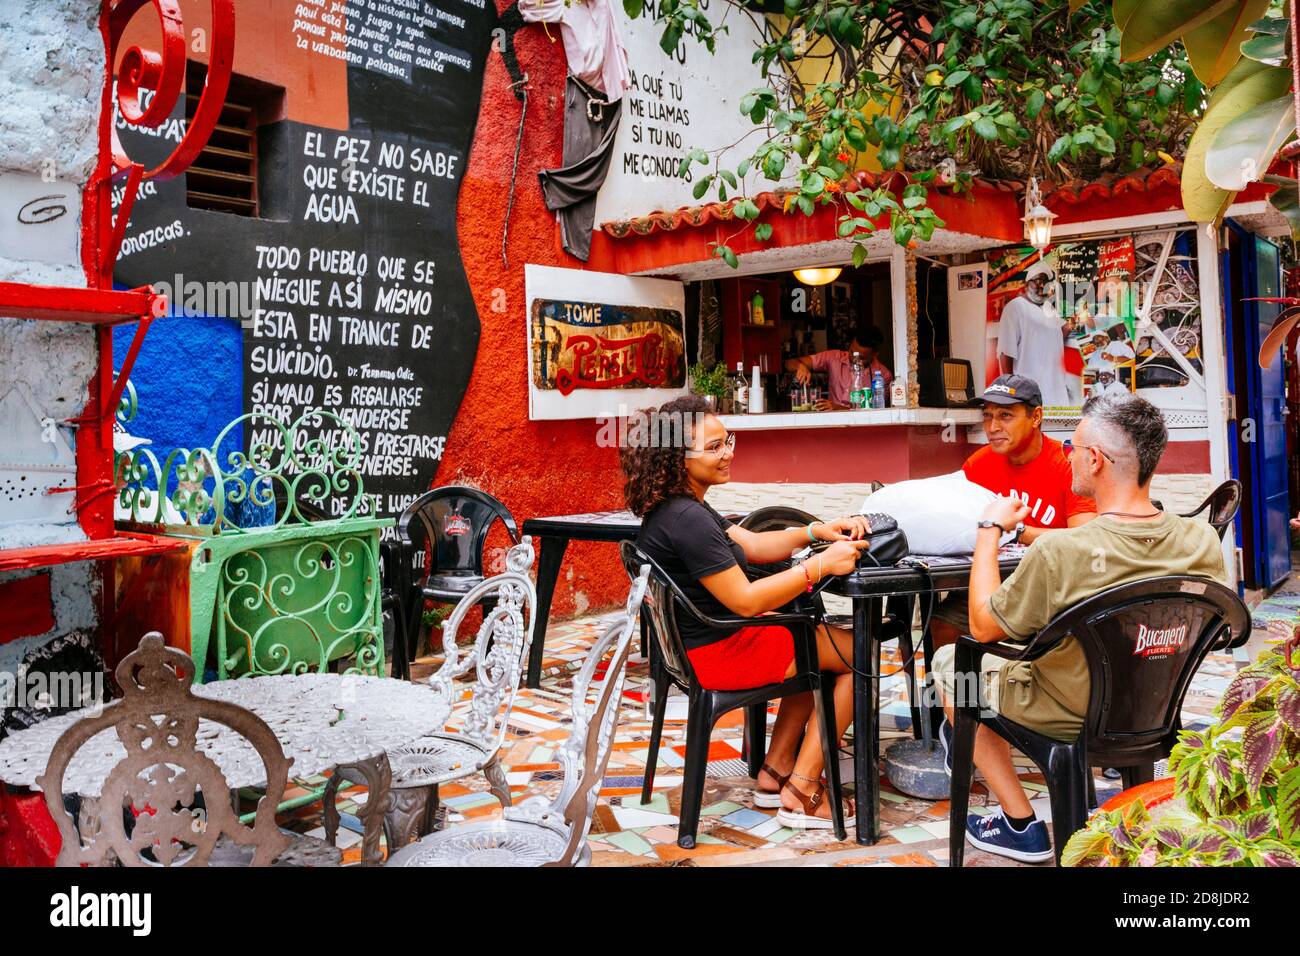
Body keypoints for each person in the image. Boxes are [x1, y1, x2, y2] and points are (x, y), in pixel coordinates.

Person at [930, 392, 1229, 862]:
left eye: (1073, 448)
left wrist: (989, 529)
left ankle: (1018, 821)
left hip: (1067, 711)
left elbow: (984, 626)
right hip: (1153, 704)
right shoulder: (1202, 540)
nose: (1067, 456)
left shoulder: (1061, 552)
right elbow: (1225, 628)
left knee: (951, 663)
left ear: (1094, 459)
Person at [622, 394, 873, 829]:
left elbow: (753, 545)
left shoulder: (681, 507)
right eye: (715, 447)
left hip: (700, 647)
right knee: (857, 655)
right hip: (720, 652)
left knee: (818, 641)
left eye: (728, 441)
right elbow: (746, 600)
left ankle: (775, 769)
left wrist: (814, 530)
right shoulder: (688, 520)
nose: (729, 452)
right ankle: (803, 787)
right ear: (679, 457)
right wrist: (820, 565)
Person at [928, 374, 1096, 648]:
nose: (992, 426)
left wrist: (1015, 531)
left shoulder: (1068, 463)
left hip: (1053, 589)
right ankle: (964, 690)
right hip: (995, 584)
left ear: (1036, 416)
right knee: (940, 624)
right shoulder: (978, 465)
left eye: (1005, 415)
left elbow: (1086, 538)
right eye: (987, 415)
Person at [997, 262, 1073, 407]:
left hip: (1055, 393)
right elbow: (1005, 352)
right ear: (1027, 284)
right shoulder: (1015, 307)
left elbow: (1059, 334)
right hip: (1029, 394)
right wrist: (1011, 394)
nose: (1041, 286)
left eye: (1045, 283)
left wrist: (1079, 318)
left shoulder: (1048, 309)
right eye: (1037, 281)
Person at [785, 322, 892, 410]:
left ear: (874, 354)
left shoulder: (883, 375)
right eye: (851, 352)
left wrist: (837, 408)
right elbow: (788, 363)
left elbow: (876, 413)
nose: (854, 359)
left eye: (861, 357)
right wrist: (800, 366)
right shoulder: (834, 357)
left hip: (861, 429)